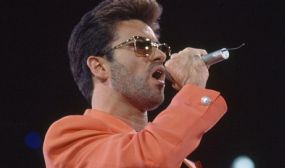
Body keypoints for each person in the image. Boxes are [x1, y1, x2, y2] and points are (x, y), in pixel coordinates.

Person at [43, 0, 227, 167]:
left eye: (160, 47)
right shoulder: (67, 140)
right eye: (142, 46)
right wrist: (192, 90)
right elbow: (143, 159)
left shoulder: (180, 161)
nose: (161, 55)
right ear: (99, 66)